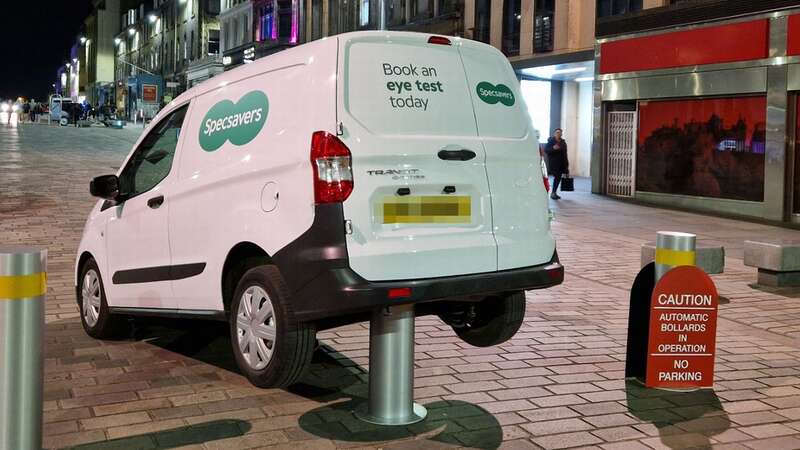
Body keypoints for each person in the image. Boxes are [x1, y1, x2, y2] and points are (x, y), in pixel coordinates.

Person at [544, 128, 569, 200]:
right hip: (554, 164)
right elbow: (546, 150)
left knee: (558, 178)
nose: (559, 134)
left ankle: (554, 192)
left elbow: (565, 154)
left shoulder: (563, 142)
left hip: (562, 163)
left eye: (560, 132)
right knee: (557, 177)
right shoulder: (551, 141)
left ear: (561, 134)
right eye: (557, 132)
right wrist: (553, 148)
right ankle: (553, 193)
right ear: (554, 134)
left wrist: (567, 167)